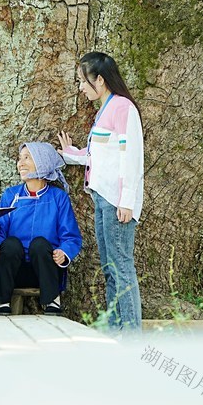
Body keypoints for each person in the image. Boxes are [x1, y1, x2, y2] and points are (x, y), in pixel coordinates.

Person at [58, 52, 145, 330]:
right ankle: (115, 326)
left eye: (83, 81)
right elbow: (98, 155)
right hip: (101, 197)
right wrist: (69, 154)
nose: (81, 87)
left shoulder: (123, 108)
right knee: (109, 267)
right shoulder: (104, 109)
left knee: (121, 266)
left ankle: (130, 333)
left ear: (100, 79)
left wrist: (127, 201)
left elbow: (130, 156)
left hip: (116, 201)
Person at [0, 142, 82, 315]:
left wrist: (63, 253)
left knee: (39, 244)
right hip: (14, 270)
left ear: (42, 162)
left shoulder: (58, 197)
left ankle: (53, 300)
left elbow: (71, 237)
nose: (20, 163)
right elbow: (0, 230)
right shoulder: (11, 195)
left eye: (27, 158)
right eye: (19, 158)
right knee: (10, 243)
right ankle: (2, 301)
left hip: (46, 271)